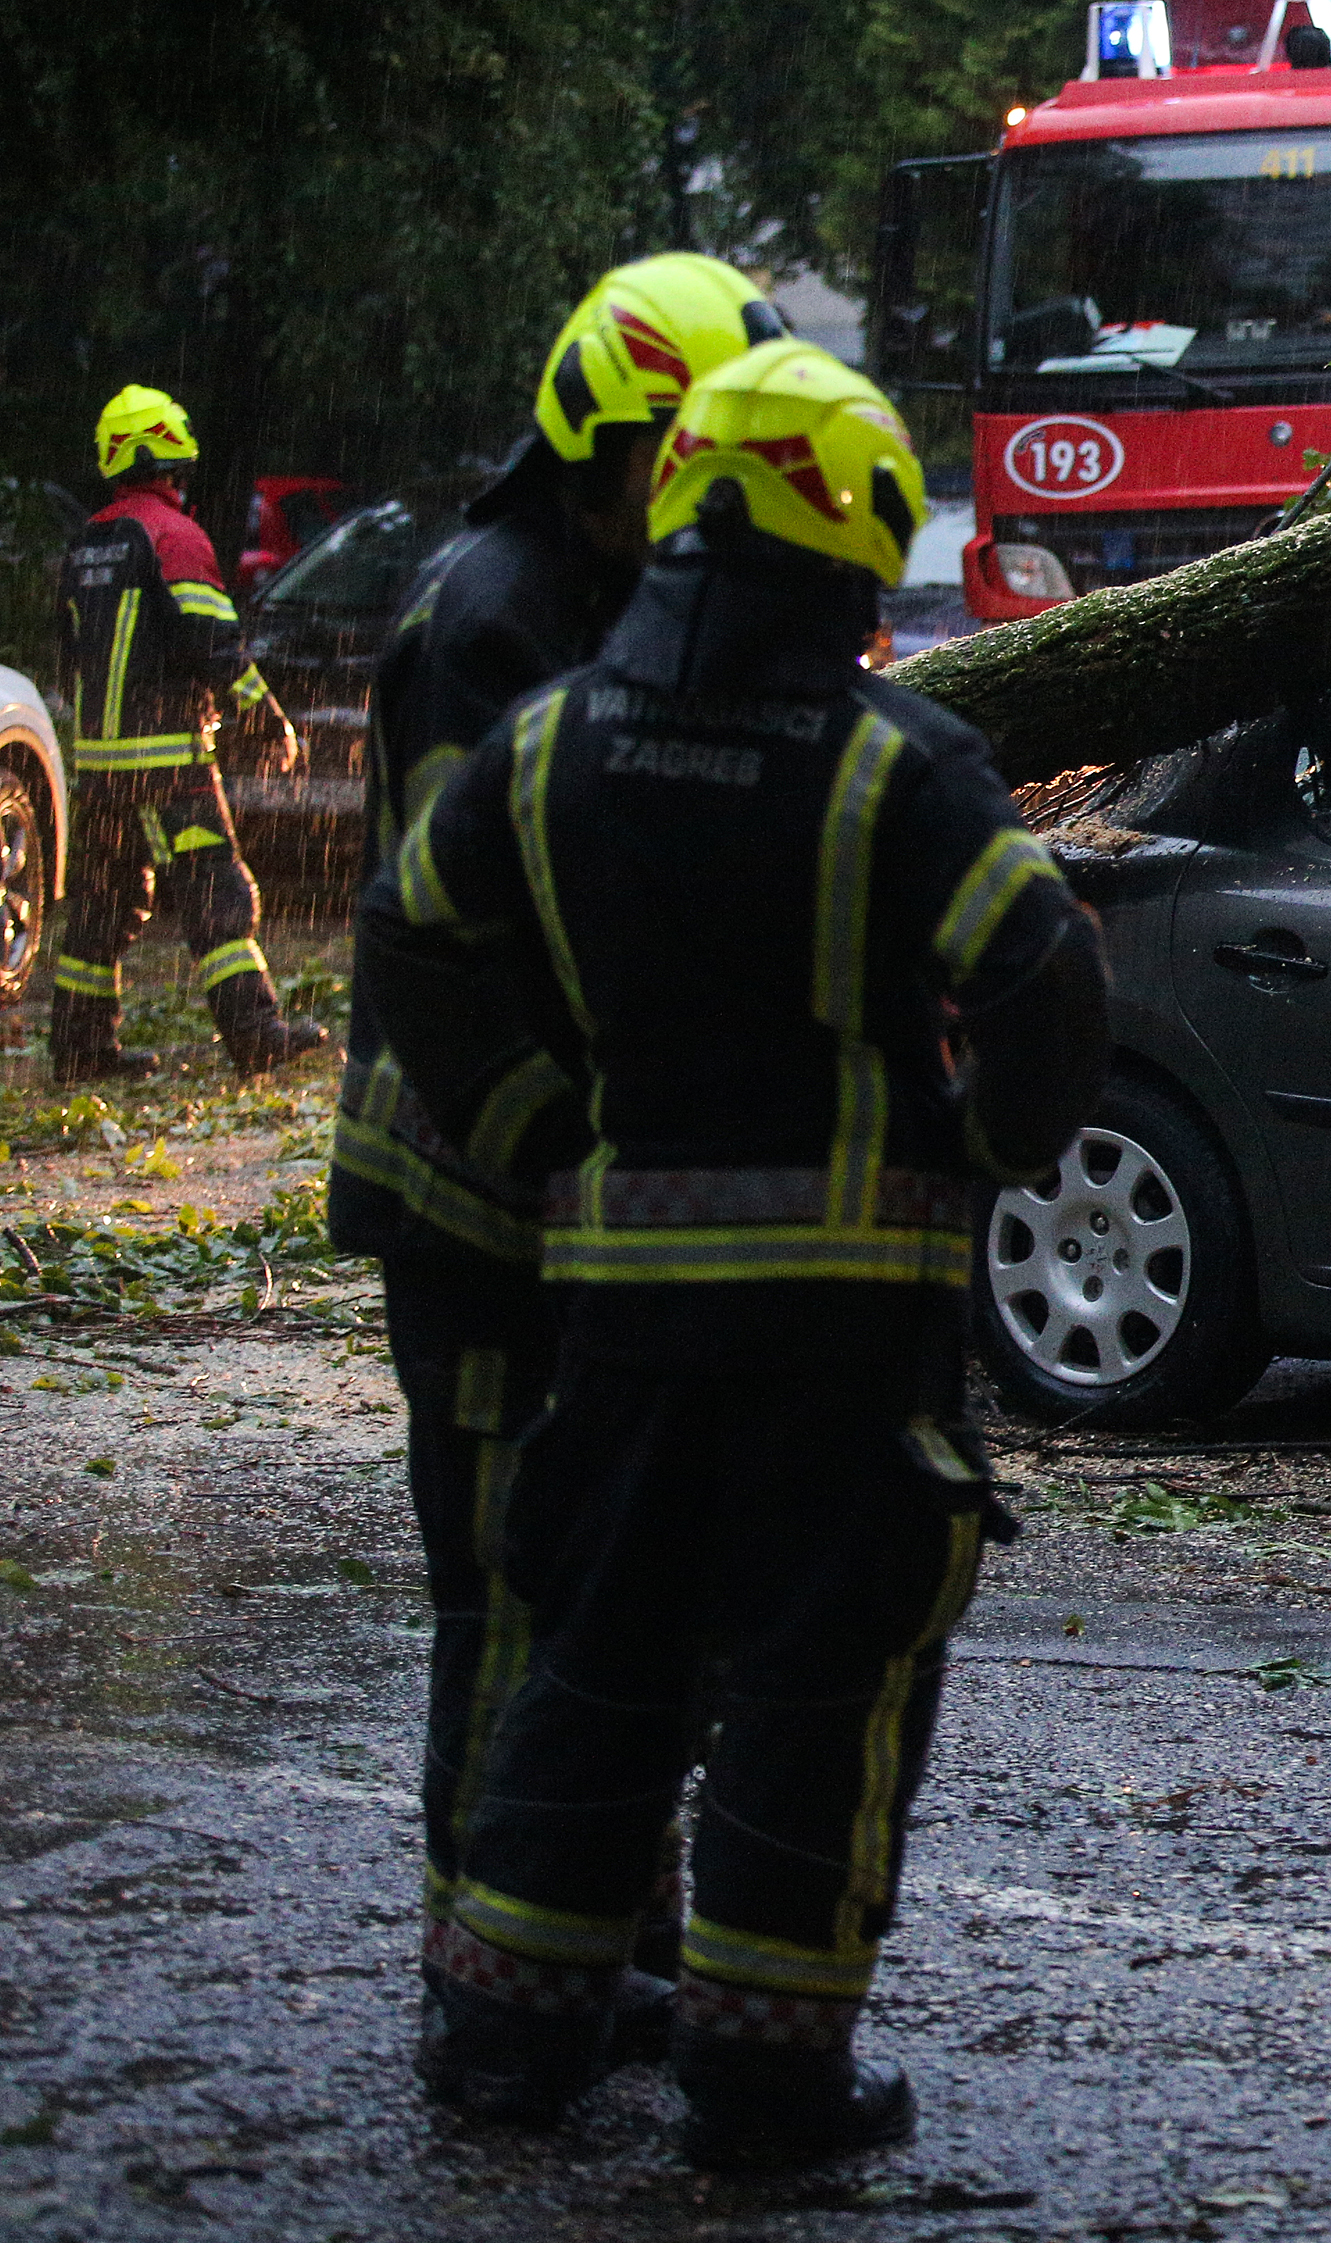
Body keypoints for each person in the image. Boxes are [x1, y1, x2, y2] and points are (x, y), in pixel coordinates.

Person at [356, 339, 1106, 2168]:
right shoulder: (896, 772)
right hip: (840, 1343)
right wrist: (987, 1142)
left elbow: (409, 939)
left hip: (613, 1319)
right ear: (847, 536)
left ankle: (504, 2039)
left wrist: (543, 1128)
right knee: (811, 1686)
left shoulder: (546, 748)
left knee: (593, 1658)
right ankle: (764, 2081)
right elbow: (1048, 978)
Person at [326, 254, 786, 2059]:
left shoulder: (601, 588)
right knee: (506, 1594)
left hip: (582, 1189)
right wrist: (559, 1156)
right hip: (473, 1189)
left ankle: (600, 1920)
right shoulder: (486, 623)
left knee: (623, 1580)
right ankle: (485, 1960)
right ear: (602, 446)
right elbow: (460, 944)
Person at [46, 385, 322, 1082]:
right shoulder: (174, 535)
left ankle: (79, 1051)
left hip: (100, 769)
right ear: (176, 460)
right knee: (216, 895)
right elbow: (214, 644)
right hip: (170, 764)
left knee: (100, 910)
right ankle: (256, 1033)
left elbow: (68, 651)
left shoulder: (86, 543)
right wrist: (267, 718)